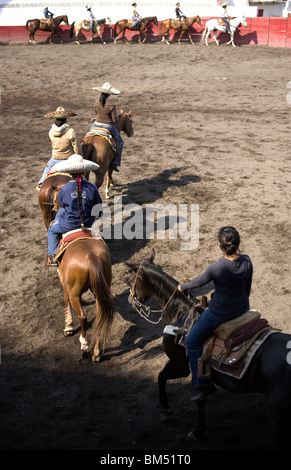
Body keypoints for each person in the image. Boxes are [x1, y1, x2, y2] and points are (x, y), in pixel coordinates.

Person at [177, 226, 253, 402]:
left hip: (220, 313)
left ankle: (202, 385)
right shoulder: (247, 261)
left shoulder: (217, 267)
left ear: (219, 244)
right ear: (238, 243)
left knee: (192, 341)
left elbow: (198, 283)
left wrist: (183, 286)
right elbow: (246, 289)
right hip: (242, 307)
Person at [47, 154, 102, 266]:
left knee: (52, 229)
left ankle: (52, 256)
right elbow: (98, 208)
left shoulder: (65, 188)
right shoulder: (92, 187)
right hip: (88, 223)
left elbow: (62, 204)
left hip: (68, 225)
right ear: (85, 171)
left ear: (69, 173)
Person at [36, 107, 81, 191]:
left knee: (47, 168)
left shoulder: (51, 132)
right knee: (81, 175)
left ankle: (41, 183)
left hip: (55, 158)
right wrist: (79, 158)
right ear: (66, 120)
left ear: (55, 120)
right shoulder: (71, 131)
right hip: (68, 160)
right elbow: (77, 148)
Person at [91, 82, 123, 172]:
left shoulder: (96, 102)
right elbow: (113, 120)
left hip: (96, 124)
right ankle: (115, 162)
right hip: (108, 126)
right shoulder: (111, 105)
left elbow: (96, 113)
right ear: (109, 93)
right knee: (120, 142)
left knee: (86, 138)